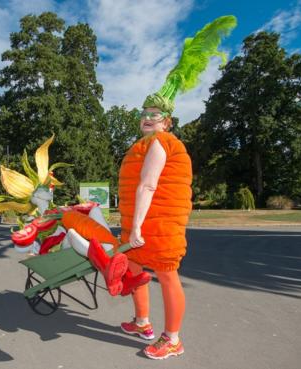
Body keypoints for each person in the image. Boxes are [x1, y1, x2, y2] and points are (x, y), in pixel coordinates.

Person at [117, 15, 237, 360]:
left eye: (153, 114)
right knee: (137, 271)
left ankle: (172, 339)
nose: (146, 117)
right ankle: (142, 322)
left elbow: (148, 184)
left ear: (166, 121)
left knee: (167, 277)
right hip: (141, 224)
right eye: (143, 112)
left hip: (155, 226)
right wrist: (134, 224)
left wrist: (136, 225)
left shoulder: (160, 143)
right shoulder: (143, 144)